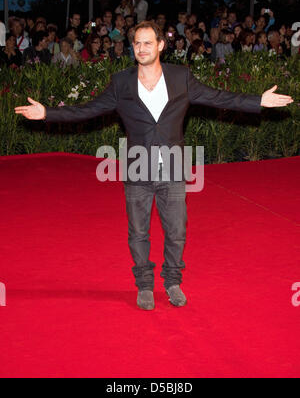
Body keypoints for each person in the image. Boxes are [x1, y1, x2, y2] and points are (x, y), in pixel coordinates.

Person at [15, 21, 293, 311]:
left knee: (176, 231)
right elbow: (88, 109)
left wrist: (258, 100)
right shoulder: (121, 82)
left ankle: (172, 281)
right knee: (138, 232)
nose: (141, 48)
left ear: (160, 45)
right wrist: (47, 113)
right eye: (137, 43)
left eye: (148, 43)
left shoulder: (181, 77)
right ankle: (145, 284)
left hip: (173, 167)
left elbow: (218, 97)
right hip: (137, 169)